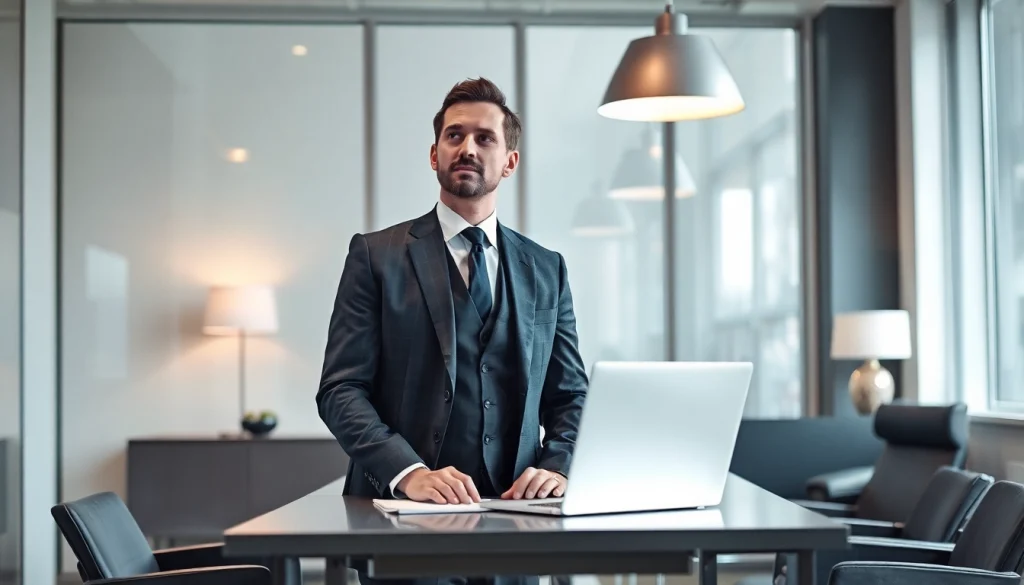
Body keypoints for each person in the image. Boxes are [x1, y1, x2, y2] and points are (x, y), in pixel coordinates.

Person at [316, 77, 588, 516]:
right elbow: (340, 389)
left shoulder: (547, 268)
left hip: (518, 511)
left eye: (485, 138)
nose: (468, 149)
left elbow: (570, 394)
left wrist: (558, 464)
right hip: (402, 512)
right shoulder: (375, 255)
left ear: (509, 162)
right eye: (454, 135)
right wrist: (409, 473)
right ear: (433, 154)